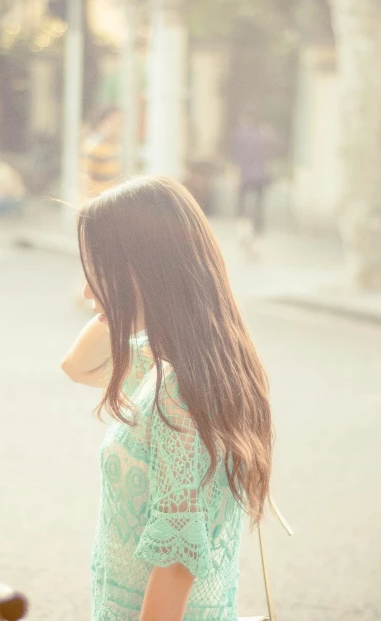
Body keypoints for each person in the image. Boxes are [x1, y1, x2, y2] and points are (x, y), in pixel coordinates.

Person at [61, 176, 273, 621]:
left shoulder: (178, 387)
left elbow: (176, 564)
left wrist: (128, 297)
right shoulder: (170, 361)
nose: (84, 290)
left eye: (96, 270)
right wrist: (118, 305)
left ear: (144, 270)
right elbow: (77, 366)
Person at [232, 113, 276, 252]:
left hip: (245, 175)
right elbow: (271, 152)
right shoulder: (265, 134)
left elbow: (237, 156)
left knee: (242, 203)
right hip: (261, 175)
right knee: (259, 207)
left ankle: (243, 231)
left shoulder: (241, 134)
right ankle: (257, 237)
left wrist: (235, 173)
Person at [79, 106, 124, 204]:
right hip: (98, 203)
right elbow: (85, 180)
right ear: (103, 123)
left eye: (120, 124)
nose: (118, 129)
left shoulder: (113, 146)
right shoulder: (93, 147)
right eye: (115, 123)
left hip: (109, 202)